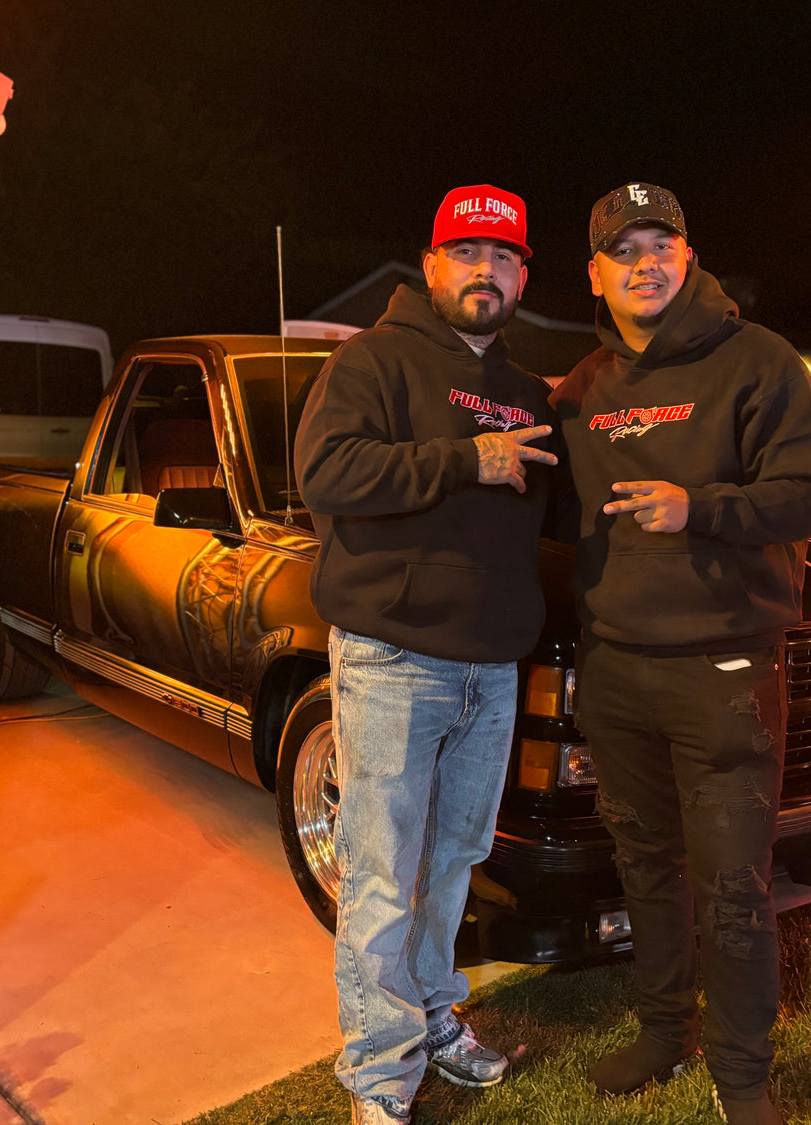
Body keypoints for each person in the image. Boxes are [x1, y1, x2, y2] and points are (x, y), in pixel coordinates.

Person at [549, 183, 811, 1125]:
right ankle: (664, 1030)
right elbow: (544, 501)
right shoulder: (584, 387)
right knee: (646, 865)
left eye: (660, 244)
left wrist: (700, 507)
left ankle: (742, 1075)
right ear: (595, 274)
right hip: (616, 669)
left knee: (732, 885)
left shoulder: (759, 362)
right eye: (624, 250)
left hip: (724, 672)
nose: (645, 264)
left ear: (688, 256)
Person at [293, 184, 559, 1125]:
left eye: (504, 257)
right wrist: (465, 458)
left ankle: (436, 1015)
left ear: (522, 276)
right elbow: (326, 471)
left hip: (492, 666)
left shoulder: (528, 392)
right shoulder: (373, 360)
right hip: (394, 659)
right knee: (381, 872)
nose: (486, 270)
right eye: (468, 252)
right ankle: (379, 1072)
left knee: (454, 861)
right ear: (433, 264)